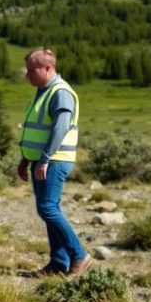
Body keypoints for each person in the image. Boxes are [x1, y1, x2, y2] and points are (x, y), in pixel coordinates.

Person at [17, 48, 93, 278]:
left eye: (32, 70)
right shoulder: (43, 91)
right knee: (49, 209)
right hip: (41, 161)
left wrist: (44, 159)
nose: (27, 75)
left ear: (48, 68)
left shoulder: (61, 92)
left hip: (54, 161)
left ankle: (79, 256)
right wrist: (25, 159)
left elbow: (61, 128)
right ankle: (59, 262)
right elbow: (37, 132)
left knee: (48, 208)